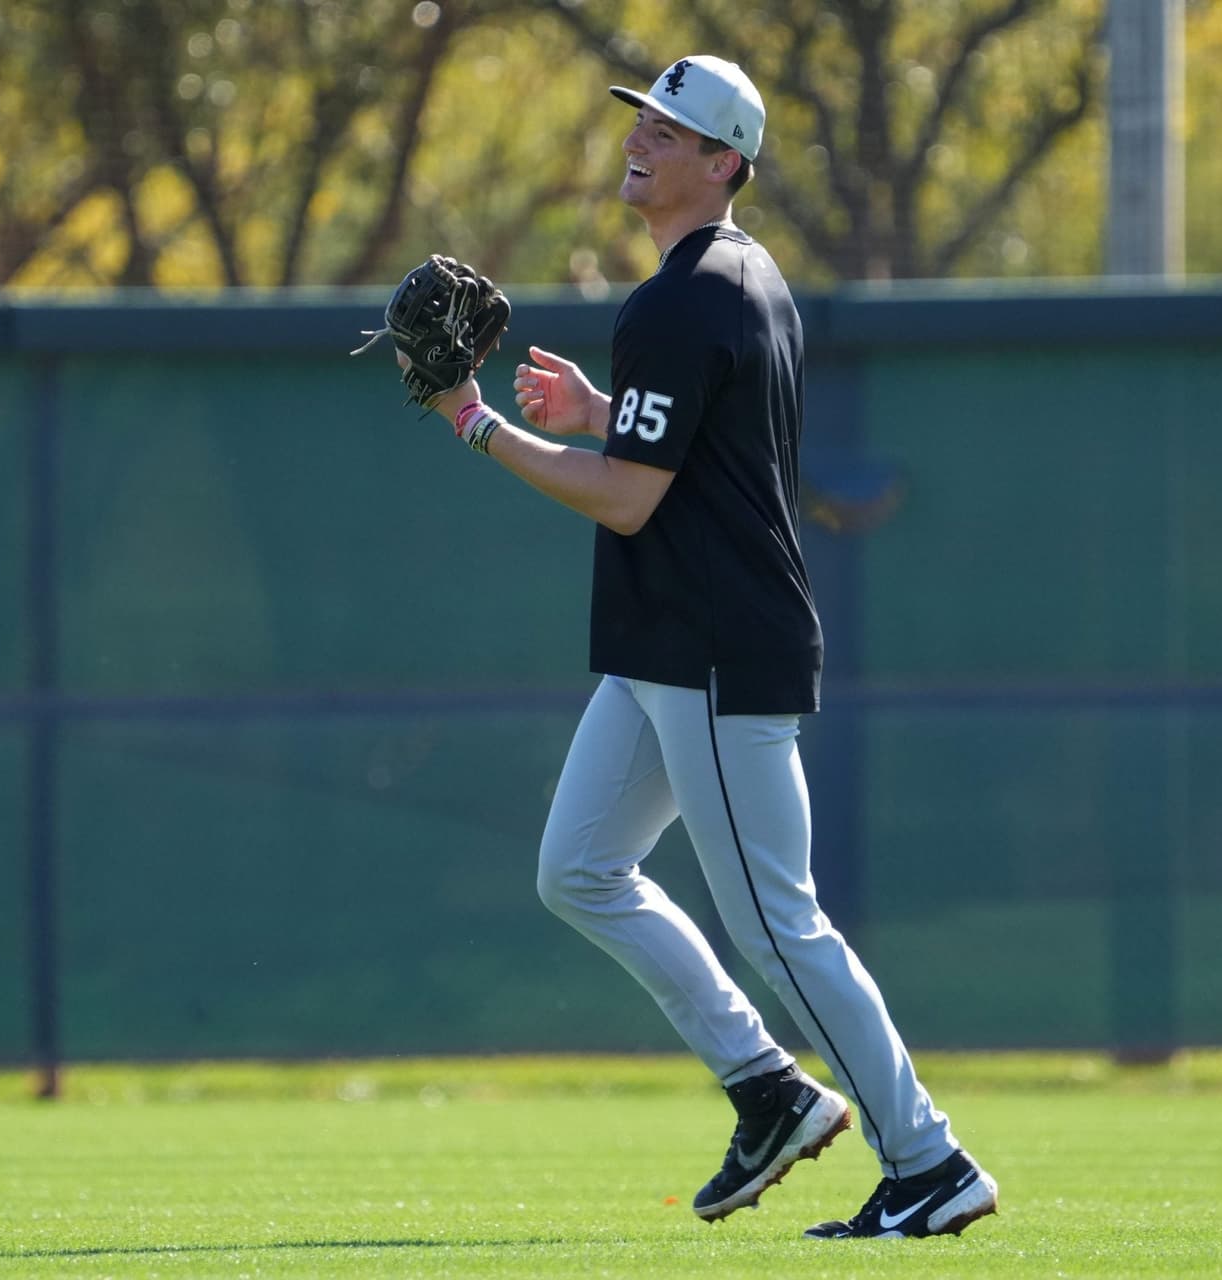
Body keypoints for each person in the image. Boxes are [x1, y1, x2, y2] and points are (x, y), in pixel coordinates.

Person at [404, 55, 997, 1241]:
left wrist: (478, 422)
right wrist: (596, 412)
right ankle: (770, 1088)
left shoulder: (683, 297)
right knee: (578, 865)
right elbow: (681, 457)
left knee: (782, 921)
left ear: (725, 163)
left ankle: (928, 1158)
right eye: (644, 119)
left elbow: (628, 500)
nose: (643, 139)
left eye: (672, 130)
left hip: (718, 644)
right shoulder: (739, 277)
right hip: (670, 638)